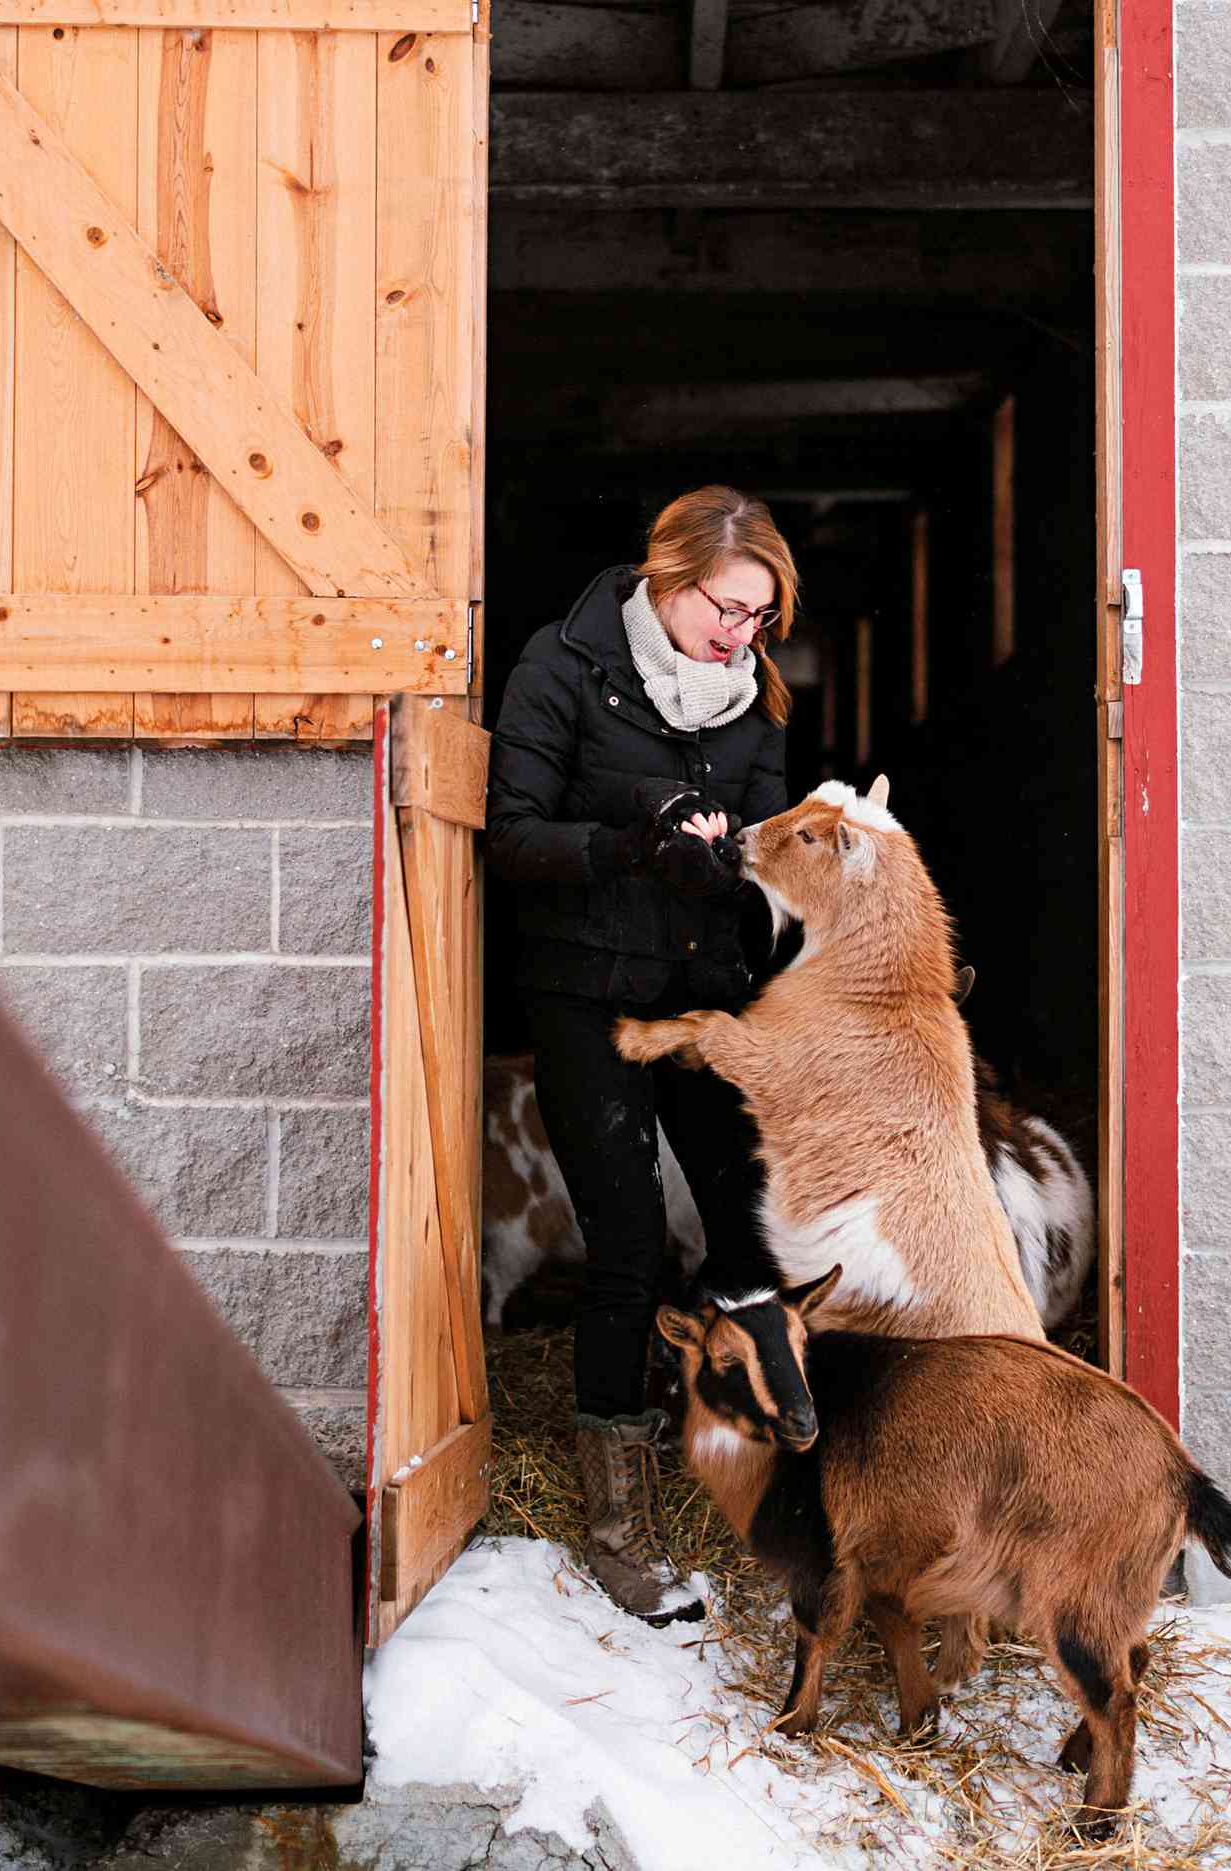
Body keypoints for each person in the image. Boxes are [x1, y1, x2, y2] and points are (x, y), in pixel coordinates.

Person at [485, 485, 797, 1622]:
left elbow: (763, 839)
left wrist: (727, 871)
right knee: (623, 1243)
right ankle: (622, 1526)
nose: (740, 635)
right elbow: (510, 831)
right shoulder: (562, 664)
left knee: (752, 1223)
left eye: (761, 617)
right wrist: (633, 842)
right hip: (588, 998)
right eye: (727, 608)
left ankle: (766, 1475)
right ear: (666, 576)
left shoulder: (754, 698)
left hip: (703, 999)